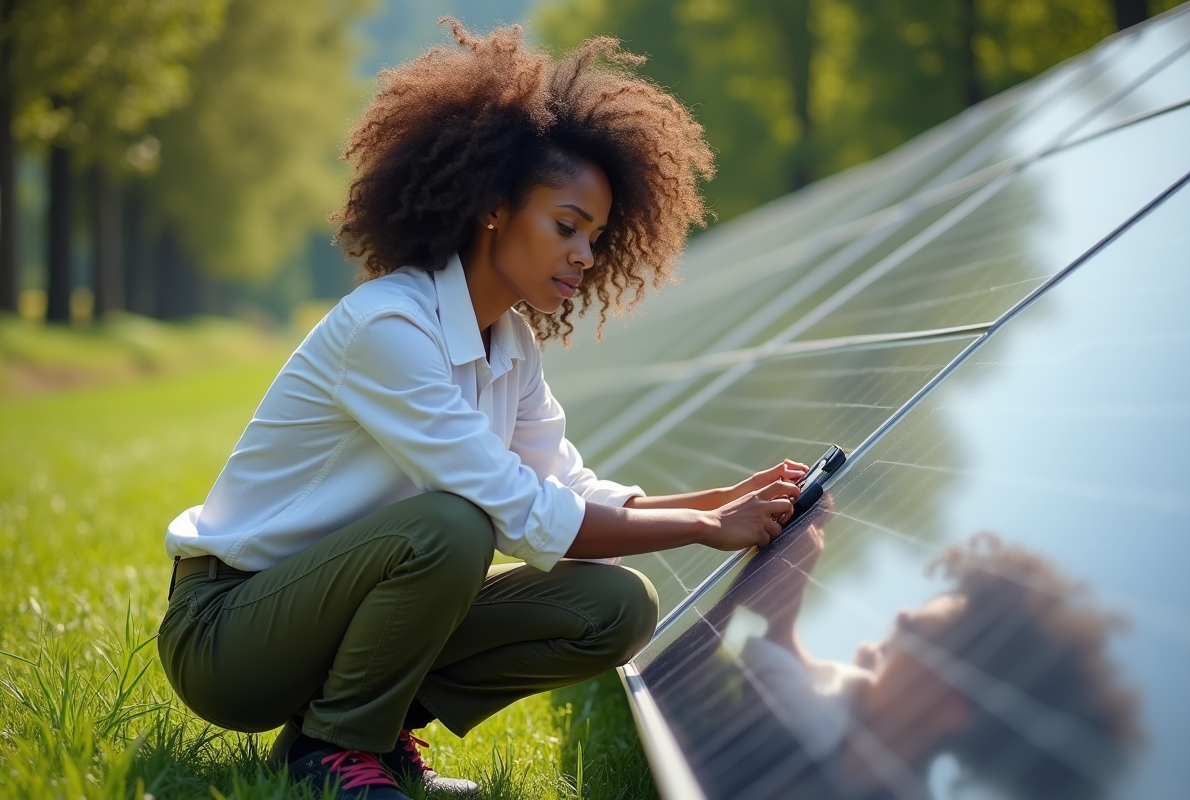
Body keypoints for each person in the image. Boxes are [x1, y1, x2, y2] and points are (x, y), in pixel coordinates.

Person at [156, 20, 810, 800]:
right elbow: (516, 511)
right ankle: (330, 752)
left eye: (596, 238)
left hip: (327, 620)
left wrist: (725, 503)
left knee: (615, 605)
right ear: (495, 208)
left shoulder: (511, 346)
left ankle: (363, 731)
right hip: (229, 634)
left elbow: (566, 490)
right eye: (566, 226)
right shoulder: (390, 328)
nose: (584, 256)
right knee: (455, 524)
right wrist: (705, 527)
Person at [705, 516, 1141, 800]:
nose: (901, 615)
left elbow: (735, 655)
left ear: (955, 707)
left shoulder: (829, 749)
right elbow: (774, 657)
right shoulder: (844, 708)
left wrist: (760, 598)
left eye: (913, 632)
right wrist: (784, 586)